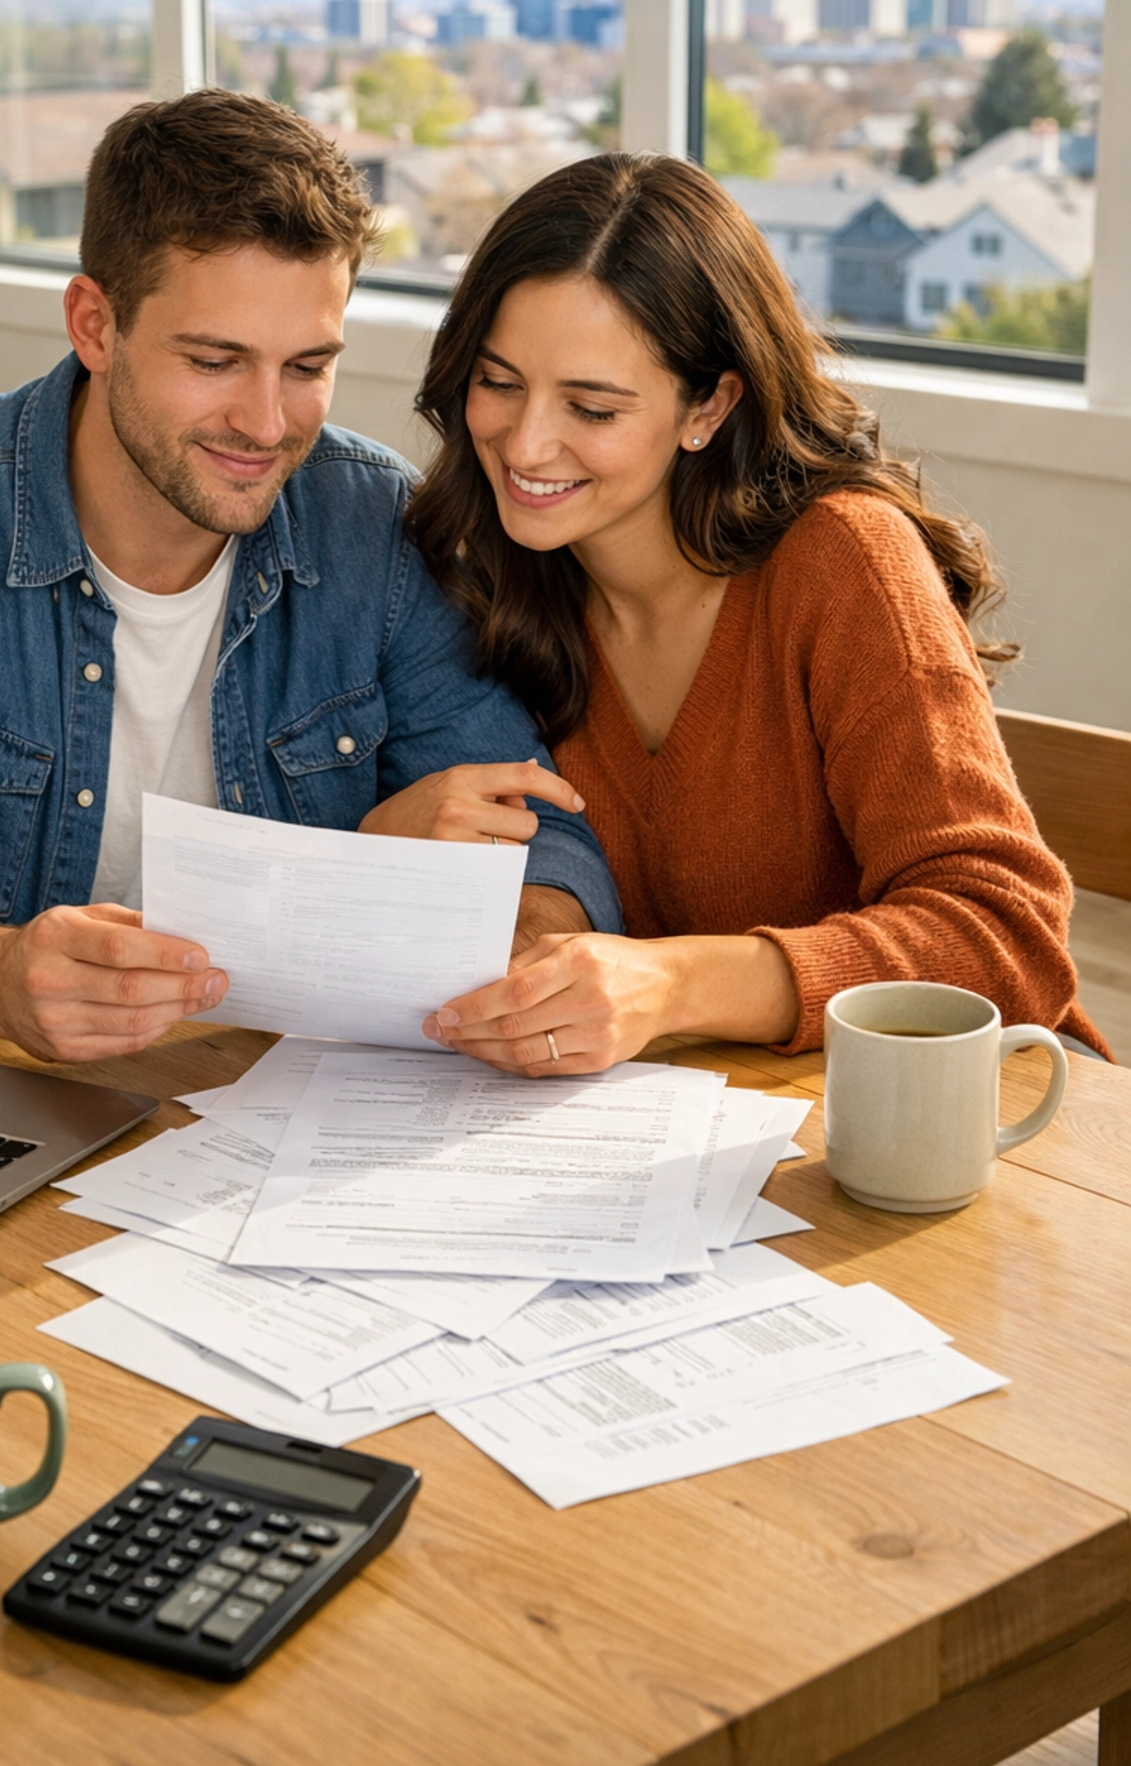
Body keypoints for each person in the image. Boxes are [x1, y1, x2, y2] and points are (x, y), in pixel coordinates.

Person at [0, 92, 618, 1062]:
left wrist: (515, 945)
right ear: (95, 325)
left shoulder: (383, 529)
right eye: (214, 360)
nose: (267, 421)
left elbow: (546, 846)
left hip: (270, 1104)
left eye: (307, 365)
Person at [407, 149, 1106, 1076]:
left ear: (710, 405)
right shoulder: (495, 574)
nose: (526, 442)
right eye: (498, 383)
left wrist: (673, 985)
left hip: (958, 1123)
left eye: (593, 407)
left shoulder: (844, 561)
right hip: (673, 1136)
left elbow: (1004, 936)